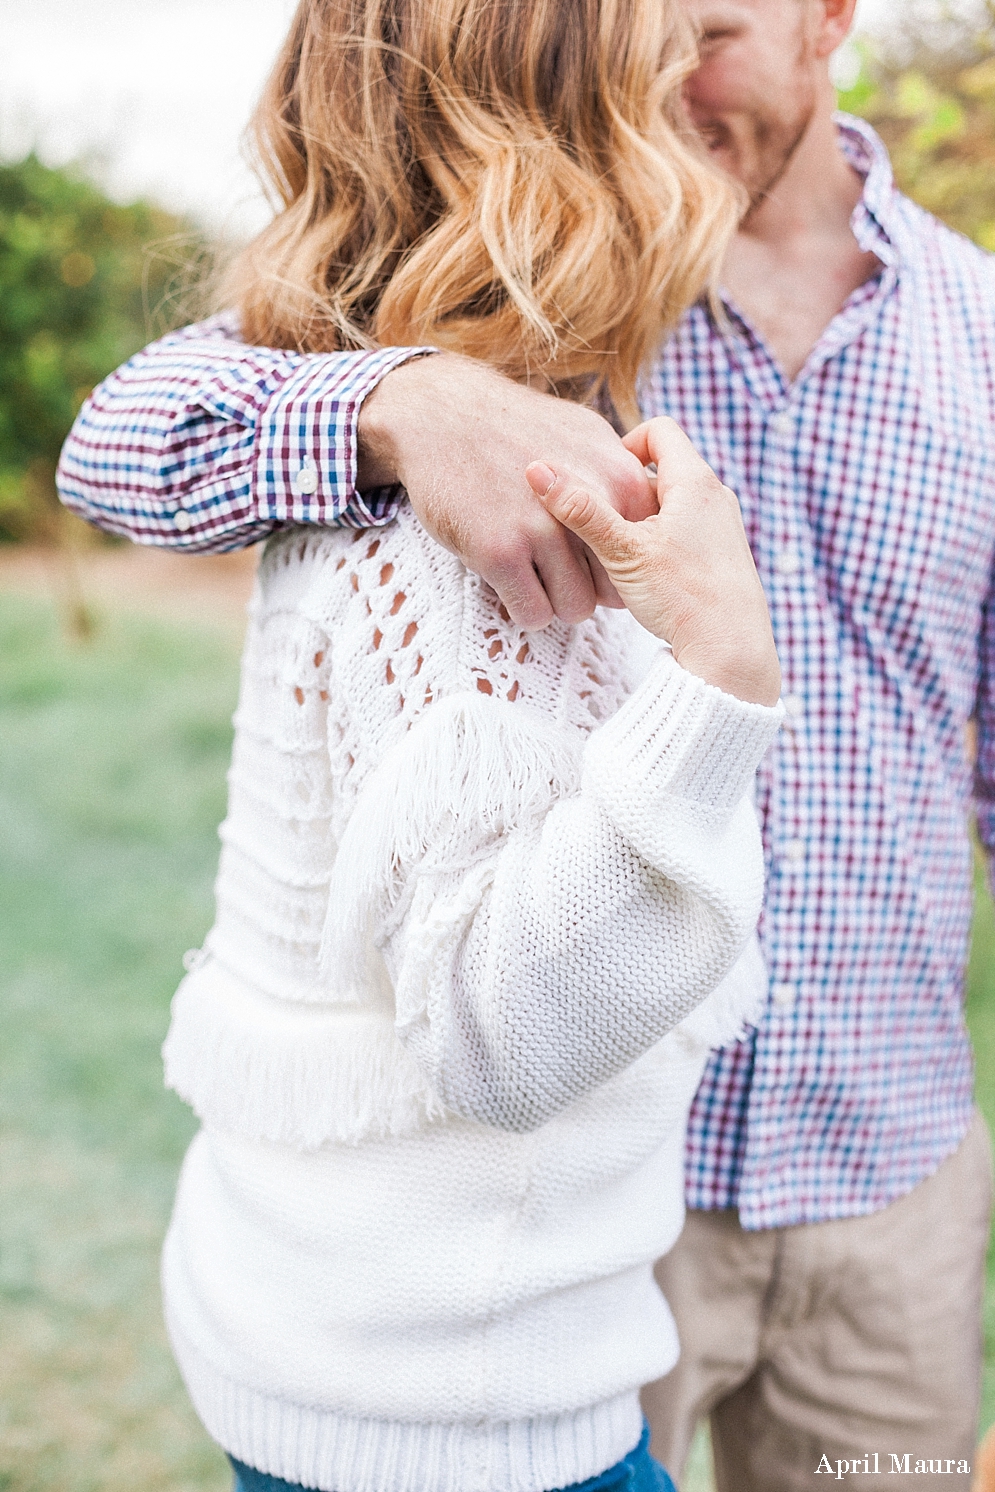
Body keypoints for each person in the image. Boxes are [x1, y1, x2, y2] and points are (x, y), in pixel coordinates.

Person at [57, 0, 995, 1486]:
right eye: (646, 34)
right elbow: (116, 439)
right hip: (602, 1208)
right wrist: (399, 400)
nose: (670, 80)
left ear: (832, 22)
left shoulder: (982, 335)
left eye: (716, 31)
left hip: (889, 1169)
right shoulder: (551, 288)